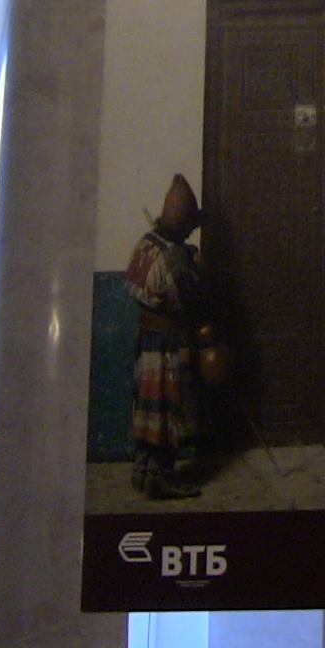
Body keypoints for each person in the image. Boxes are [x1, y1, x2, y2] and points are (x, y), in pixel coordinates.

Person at [127, 174, 204, 499]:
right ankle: (161, 477)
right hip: (166, 344)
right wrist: (192, 268)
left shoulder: (145, 243)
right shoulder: (174, 258)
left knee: (146, 408)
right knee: (165, 411)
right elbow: (188, 302)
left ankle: (142, 471)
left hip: (145, 338)